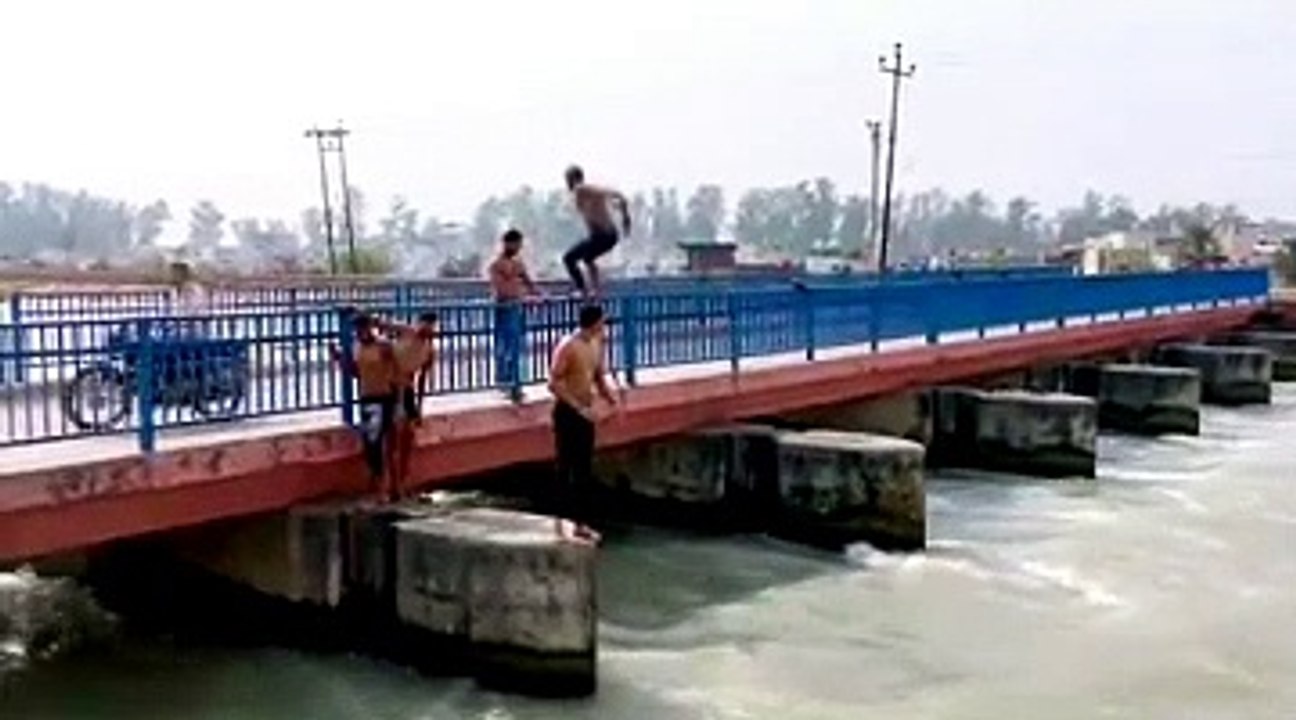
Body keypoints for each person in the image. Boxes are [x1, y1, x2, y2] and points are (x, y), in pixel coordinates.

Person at [547, 304, 619, 521]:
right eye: (602, 322)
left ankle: (581, 519)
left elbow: (597, 376)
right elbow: (554, 383)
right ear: (595, 323)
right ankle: (561, 515)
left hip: (586, 410)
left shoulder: (596, 344)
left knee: (584, 466)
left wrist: (610, 398)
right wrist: (577, 407)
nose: (605, 326)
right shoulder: (568, 345)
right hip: (568, 411)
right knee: (565, 463)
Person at [333, 312, 398, 500]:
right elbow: (356, 372)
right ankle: (382, 485)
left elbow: (396, 370)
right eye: (358, 329)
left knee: (378, 442)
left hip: (384, 396)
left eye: (363, 327)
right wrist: (339, 359)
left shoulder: (384, 346)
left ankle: (385, 487)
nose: (361, 332)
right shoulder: (357, 347)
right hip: (367, 397)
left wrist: (398, 398)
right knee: (371, 443)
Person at [384, 311, 439, 496]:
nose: (427, 329)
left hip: (407, 390)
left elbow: (422, 379)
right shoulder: (406, 331)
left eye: (431, 326)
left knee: (408, 436)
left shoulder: (429, 350)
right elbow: (382, 324)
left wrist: (419, 408)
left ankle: (403, 479)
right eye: (425, 324)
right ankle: (393, 484)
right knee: (392, 437)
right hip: (390, 386)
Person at [563, 165, 631, 299]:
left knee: (569, 258)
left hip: (605, 235)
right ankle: (595, 291)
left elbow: (618, 195)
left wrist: (626, 217)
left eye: (567, 180)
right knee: (588, 258)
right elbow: (616, 200)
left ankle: (583, 291)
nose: (567, 184)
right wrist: (622, 212)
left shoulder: (581, 188)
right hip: (602, 236)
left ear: (573, 179)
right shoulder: (582, 195)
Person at [488, 229, 541, 394]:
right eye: (517, 244)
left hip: (516, 308)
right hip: (504, 309)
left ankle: (515, 382)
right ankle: (506, 382)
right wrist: (519, 294)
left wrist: (538, 295)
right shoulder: (496, 265)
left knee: (516, 346)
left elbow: (529, 283)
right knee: (505, 346)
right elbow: (500, 289)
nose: (518, 248)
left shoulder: (518, 263)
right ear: (508, 243)